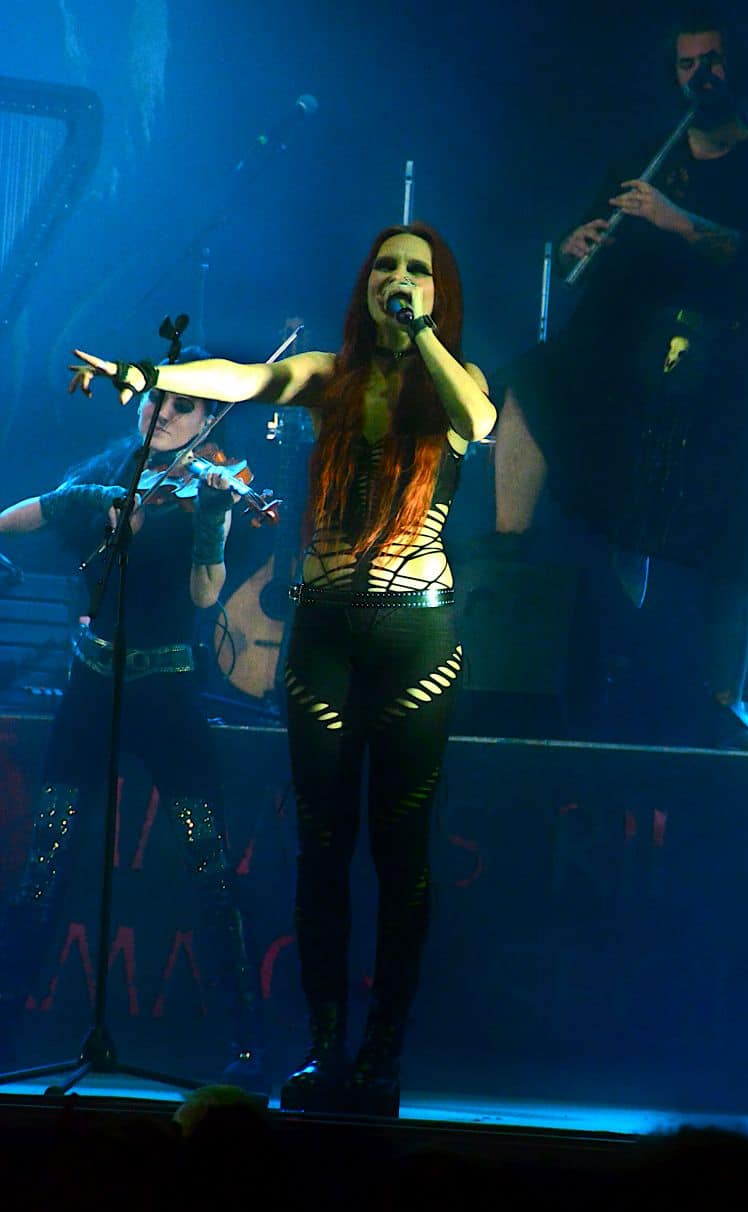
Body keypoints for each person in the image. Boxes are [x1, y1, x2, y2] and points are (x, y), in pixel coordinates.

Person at [68, 222, 496, 1117]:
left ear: (438, 290)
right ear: (365, 282)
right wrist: (149, 374)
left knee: (400, 849)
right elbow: (241, 378)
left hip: (415, 637)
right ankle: (325, 1049)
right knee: (322, 848)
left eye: (416, 270)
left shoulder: (457, 381)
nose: (397, 278)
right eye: (385, 266)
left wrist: (422, 332)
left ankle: (383, 1056)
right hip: (326, 632)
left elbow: (479, 422)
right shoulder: (327, 376)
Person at [493, 8, 748, 745]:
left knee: (729, 546)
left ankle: (721, 708)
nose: (700, 76)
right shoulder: (646, 156)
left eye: (713, 61)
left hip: (726, 368)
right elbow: (592, 245)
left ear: (739, 68)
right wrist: (578, 243)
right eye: (686, 64)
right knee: (534, 385)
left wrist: (674, 218)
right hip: (633, 362)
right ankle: (512, 567)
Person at [0, 348, 267, 1092]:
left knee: (208, 862)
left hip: (167, 689)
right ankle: (5, 1030)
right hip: (92, 684)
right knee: (45, 857)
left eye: (184, 405)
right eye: (158, 398)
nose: (163, 411)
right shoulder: (109, 474)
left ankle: (247, 1046)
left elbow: (206, 595)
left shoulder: (210, 490)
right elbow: (35, 512)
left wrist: (213, 521)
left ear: (210, 419)